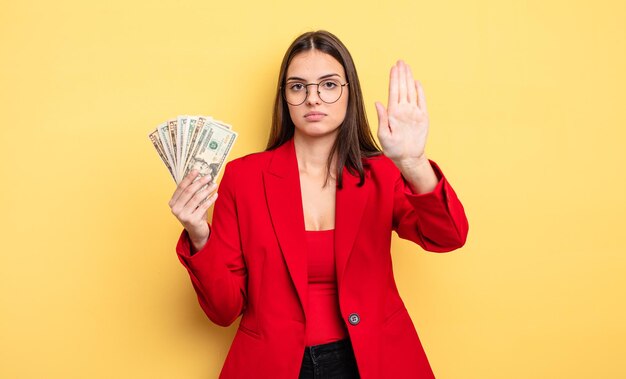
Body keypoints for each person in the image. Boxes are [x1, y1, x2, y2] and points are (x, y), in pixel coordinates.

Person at [168, 30, 468, 379]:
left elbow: (448, 236)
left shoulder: (381, 174)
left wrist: (414, 163)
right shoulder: (243, 178)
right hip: (274, 365)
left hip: (373, 360)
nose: (313, 99)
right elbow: (223, 310)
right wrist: (200, 234)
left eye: (328, 85)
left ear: (348, 92)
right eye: (298, 87)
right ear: (284, 98)